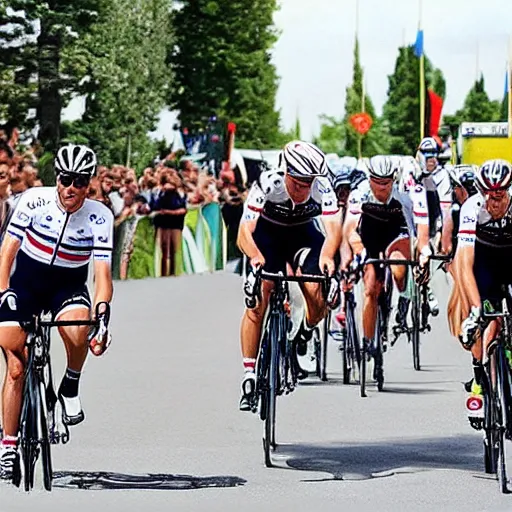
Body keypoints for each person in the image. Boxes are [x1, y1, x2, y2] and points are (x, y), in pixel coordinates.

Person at [0, 144, 114, 479]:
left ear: (89, 184)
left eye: (80, 182)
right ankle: (8, 445)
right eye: (66, 180)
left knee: (80, 326)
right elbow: (7, 252)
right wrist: (3, 292)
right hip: (26, 282)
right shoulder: (33, 200)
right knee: (17, 366)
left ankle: (70, 386)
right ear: (57, 178)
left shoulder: (100, 215)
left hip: (68, 284)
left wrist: (103, 312)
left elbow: (103, 276)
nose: (71, 189)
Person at [237, 140, 342, 411]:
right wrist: (255, 257)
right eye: (297, 184)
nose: (303, 191)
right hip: (267, 237)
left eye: (308, 184)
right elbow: (244, 232)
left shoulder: (322, 188)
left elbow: (333, 232)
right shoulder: (267, 183)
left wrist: (328, 258)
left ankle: (304, 333)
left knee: (316, 293)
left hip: (303, 236)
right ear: (285, 173)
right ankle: (249, 374)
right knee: (261, 295)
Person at [342, 155, 430, 355]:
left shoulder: (407, 194)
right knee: (371, 288)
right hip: (369, 235)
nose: (381, 188)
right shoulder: (360, 193)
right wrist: (360, 251)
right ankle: (368, 341)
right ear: (369, 178)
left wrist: (423, 252)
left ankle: (403, 301)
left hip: (396, 232)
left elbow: (421, 230)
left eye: (386, 182)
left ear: (394, 179)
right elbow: (349, 229)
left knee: (399, 268)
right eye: (376, 182)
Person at [454, 159, 512, 429]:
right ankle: (479, 380)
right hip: (484, 263)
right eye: (489, 196)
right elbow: (464, 262)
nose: (495, 203)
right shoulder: (471, 208)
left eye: (500, 197)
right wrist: (475, 308)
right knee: (484, 321)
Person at [152, 171, 187, 277]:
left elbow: (183, 209)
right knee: (164, 250)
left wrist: (169, 212)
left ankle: (173, 272)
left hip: (176, 223)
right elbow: (155, 206)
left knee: (174, 250)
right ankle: (163, 273)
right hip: (163, 223)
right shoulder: (159, 192)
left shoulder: (179, 193)